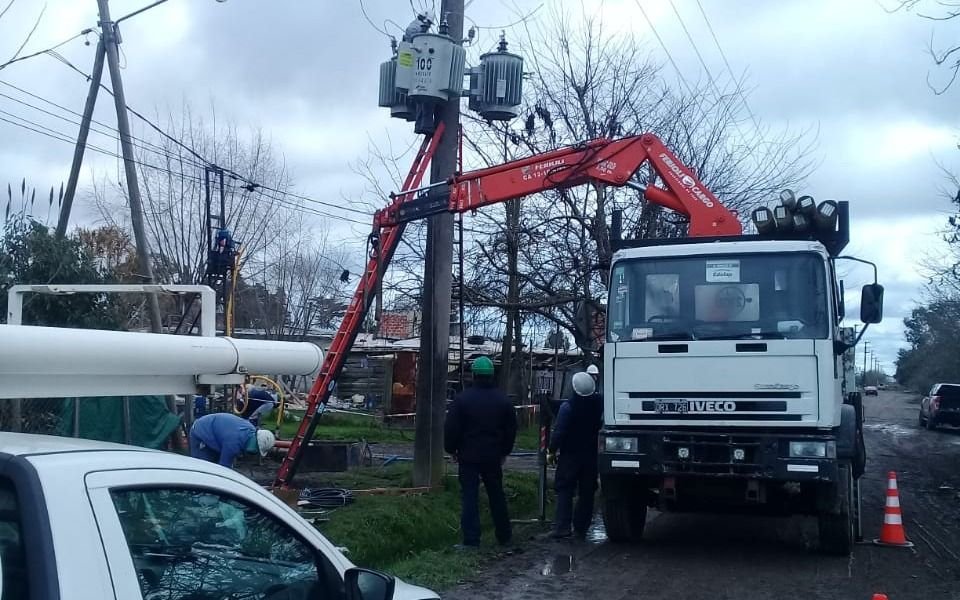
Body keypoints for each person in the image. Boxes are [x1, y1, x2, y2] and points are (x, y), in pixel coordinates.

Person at [444, 356, 518, 548]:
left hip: (468, 457)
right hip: (493, 456)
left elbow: (451, 428)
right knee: (496, 495)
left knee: (469, 496)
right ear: (492, 375)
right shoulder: (503, 401)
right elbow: (511, 429)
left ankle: (471, 540)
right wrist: (504, 452)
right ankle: (505, 536)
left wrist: (451, 449)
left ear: (474, 375)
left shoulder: (462, 400)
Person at [548, 371, 603, 539]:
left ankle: (562, 527)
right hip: (591, 456)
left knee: (565, 489)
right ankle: (581, 528)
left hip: (570, 455)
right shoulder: (599, 403)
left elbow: (559, 432)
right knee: (587, 491)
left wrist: (551, 450)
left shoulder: (568, 407)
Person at [189, 412, 275, 467]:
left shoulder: (251, 429)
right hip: (200, 431)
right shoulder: (233, 444)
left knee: (214, 464)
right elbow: (224, 468)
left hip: (214, 430)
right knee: (203, 468)